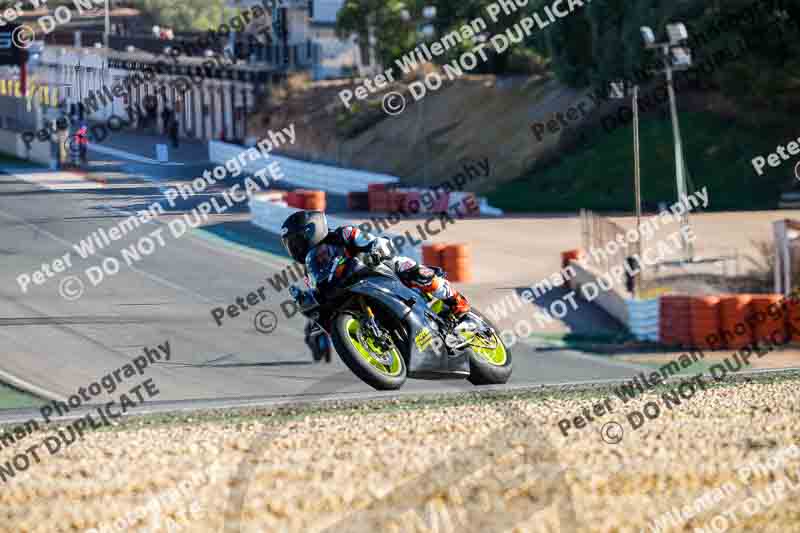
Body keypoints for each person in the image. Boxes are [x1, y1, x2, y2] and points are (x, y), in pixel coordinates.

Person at [280, 210, 471, 361]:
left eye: (296, 241)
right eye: (290, 244)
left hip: (376, 271)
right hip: (348, 291)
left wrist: (376, 249)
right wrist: (310, 303)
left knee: (408, 267)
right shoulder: (309, 270)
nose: (294, 248)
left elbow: (373, 241)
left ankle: (456, 302)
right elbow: (318, 290)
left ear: (311, 230)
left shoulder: (344, 234)